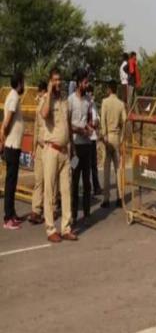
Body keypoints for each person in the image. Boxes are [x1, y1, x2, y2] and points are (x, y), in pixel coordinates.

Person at [41, 67, 77, 242]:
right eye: (55, 80)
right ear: (50, 81)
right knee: (50, 191)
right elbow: (44, 114)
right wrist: (48, 92)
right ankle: (50, 229)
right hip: (51, 150)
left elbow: (68, 124)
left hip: (65, 151)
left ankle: (66, 227)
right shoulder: (47, 100)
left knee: (66, 190)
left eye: (60, 79)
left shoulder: (64, 101)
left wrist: (73, 147)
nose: (58, 82)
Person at [1, 72, 25, 230]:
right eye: (24, 82)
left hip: (12, 145)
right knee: (10, 183)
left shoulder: (12, 95)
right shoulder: (14, 96)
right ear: (20, 83)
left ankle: (12, 213)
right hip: (11, 146)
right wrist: (3, 139)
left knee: (12, 181)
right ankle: (8, 218)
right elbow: (7, 121)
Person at [68, 69, 93, 224]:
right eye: (85, 82)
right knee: (74, 182)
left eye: (87, 82)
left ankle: (87, 214)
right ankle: (74, 215)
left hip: (87, 146)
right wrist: (79, 130)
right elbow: (67, 124)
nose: (87, 84)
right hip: (75, 147)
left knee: (87, 182)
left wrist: (90, 127)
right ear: (78, 83)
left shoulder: (88, 100)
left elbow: (90, 119)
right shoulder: (70, 100)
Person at [100, 80, 127, 208]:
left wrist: (104, 136)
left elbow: (103, 122)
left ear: (109, 89)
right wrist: (122, 139)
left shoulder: (105, 102)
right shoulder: (121, 104)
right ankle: (120, 197)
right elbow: (125, 122)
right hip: (117, 137)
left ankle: (106, 199)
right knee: (118, 169)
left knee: (106, 169)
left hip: (108, 137)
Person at [29, 81, 48, 225]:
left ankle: (36, 210)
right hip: (49, 146)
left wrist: (33, 147)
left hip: (41, 147)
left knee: (38, 181)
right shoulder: (50, 103)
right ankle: (50, 209)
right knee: (50, 181)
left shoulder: (38, 105)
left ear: (41, 91)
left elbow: (35, 129)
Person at [87, 85, 102, 196]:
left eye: (92, 93)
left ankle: (96, 187)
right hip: (83, 140)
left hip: (92, 138)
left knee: (93, 164)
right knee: (77, 164)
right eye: (90, 93)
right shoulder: (84, 105)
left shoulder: (94, 106)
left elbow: (97, 119)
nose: (92, 96)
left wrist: (95, 122)